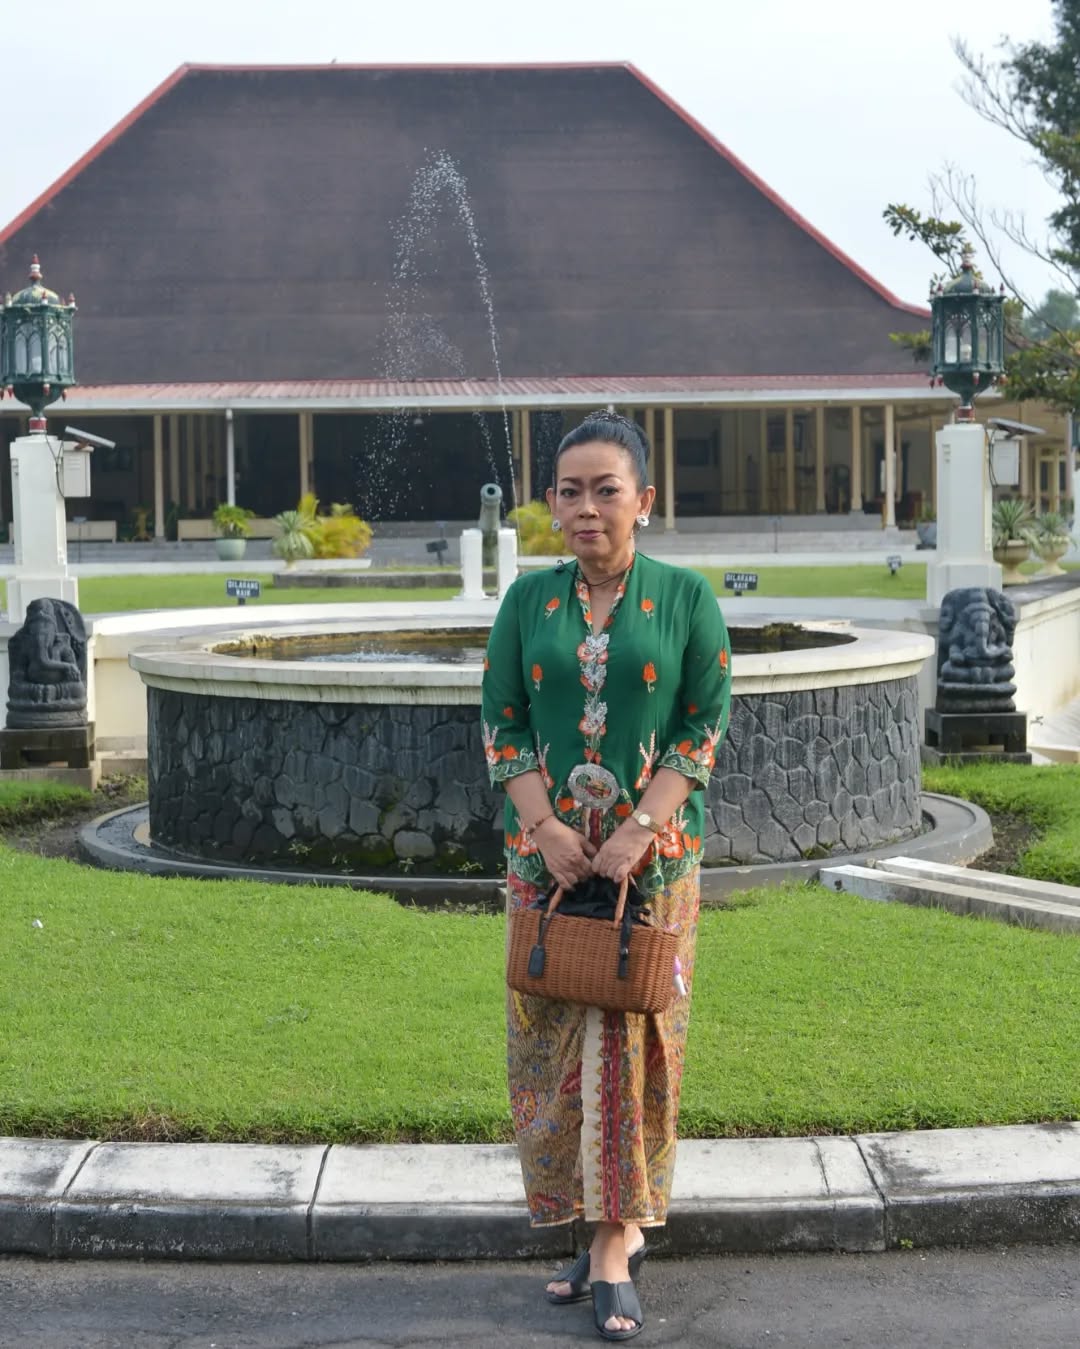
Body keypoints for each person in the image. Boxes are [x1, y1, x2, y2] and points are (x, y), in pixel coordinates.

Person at [481, 410, 731, 1341]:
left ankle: (617, 1242)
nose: (586, 507)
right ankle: (589, 1227)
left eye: (606, 489)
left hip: (650, 869)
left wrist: (636, 829)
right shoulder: (526, 602)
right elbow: (502, 719)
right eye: (570, 491)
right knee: (550, 1047)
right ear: (552, 503)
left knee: (635, 1044)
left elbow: (702, 725)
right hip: (544, 868)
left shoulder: (685, 598)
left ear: (644, 499)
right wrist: (546, 827)